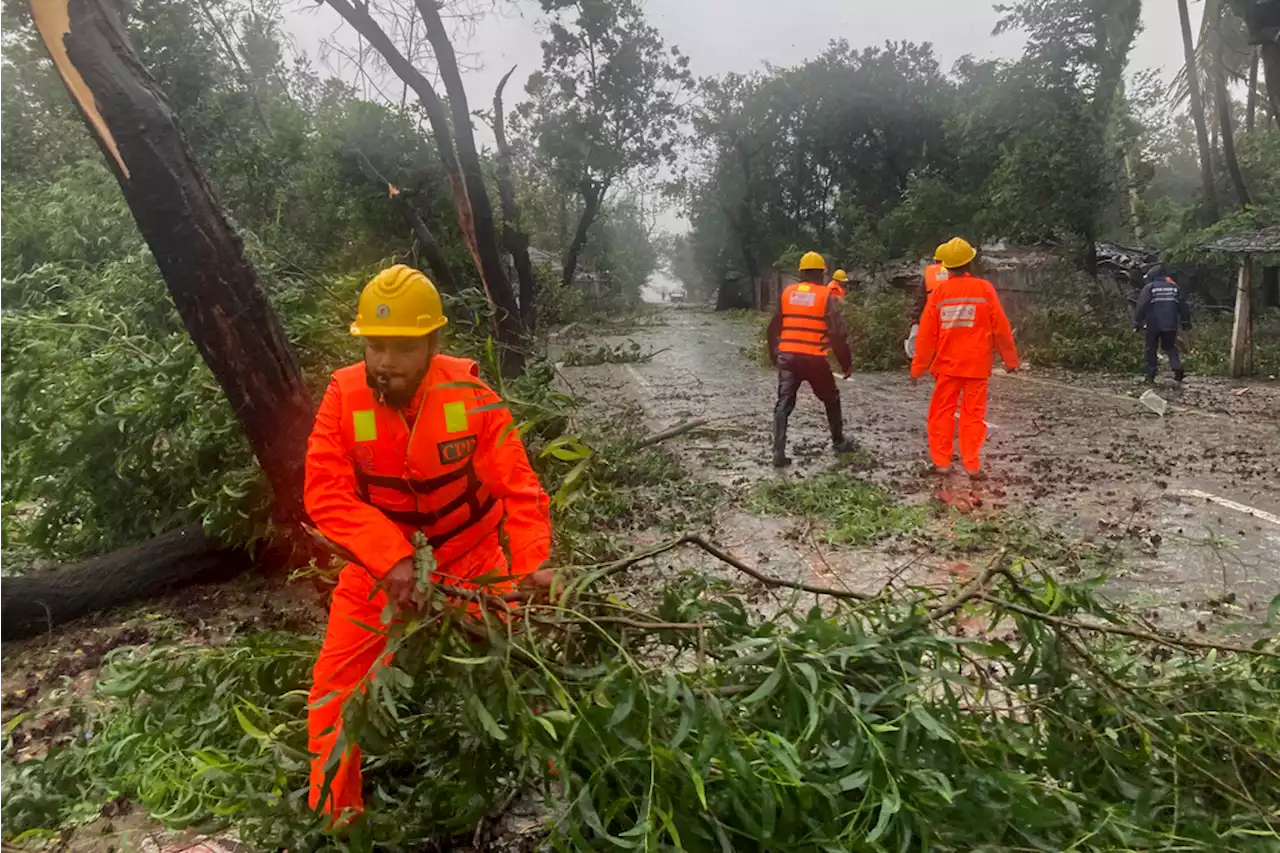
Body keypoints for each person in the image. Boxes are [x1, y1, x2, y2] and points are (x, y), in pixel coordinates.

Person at [303, 265, 553, 822]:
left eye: (402, 347)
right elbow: (324, 493)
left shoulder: (472, 397)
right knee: (333, 693)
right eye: (375, 345)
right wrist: (387, 555)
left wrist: (534, 564)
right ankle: (339, 819)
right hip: (377, 569)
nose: (385, 360)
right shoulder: (343, 398)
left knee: (522, 663)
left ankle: (554, 778)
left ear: (433, 343)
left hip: (470, 559)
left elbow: (520, 490)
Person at [910, 238, 1020, 478]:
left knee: (942, 413)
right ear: (970, 262)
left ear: (946, 266)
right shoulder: (984, 289)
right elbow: (1001, 327)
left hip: (947, 367)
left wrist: (917, 368)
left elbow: (927, 336)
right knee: (973, 416)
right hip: (977, 366)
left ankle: (942, 463)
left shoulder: (939, 293)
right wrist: (1011, 360)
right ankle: (972, 465)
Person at [767, 251, 856, 467]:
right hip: (814, 359)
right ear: (821, 274)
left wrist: (773, 354)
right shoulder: (825, 296)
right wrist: (846, 364)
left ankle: (778, 452)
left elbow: (772, 328)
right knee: (831, 399)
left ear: (801, 273)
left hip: (788, 358)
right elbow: (837, 334)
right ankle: (838, 441)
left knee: (783, 404)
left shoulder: (788, 293)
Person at [1134, 263, 1191, 384]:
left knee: (1150, 349)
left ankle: (1150, 376)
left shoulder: (1150, 287)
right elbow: (1183, 306)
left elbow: (1141, 306)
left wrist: (1137, 322)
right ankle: (1177, 368)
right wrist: (1186, 322)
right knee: (1170, 347)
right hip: (1171, 325)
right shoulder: (1174, 288)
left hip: (1153, 325)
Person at [906, 248, 949, 357]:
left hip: (934, 322)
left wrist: (914, 322)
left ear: (936, 261)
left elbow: (919, 302)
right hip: (956, 323)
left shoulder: (928, 277)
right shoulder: (960, 277)